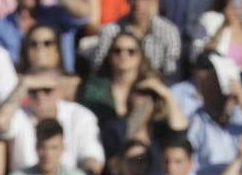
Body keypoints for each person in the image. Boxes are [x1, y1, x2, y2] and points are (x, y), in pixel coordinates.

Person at [79, 29, 186, 162]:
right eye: (117, 51)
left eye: (131, 51)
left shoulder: (150, 87)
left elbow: (179, 134)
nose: (124, 55)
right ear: (109, 56)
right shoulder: (95, 88)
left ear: (140, 56)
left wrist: (166, 94)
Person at [0, 68, 103, 175]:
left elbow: (93, 159)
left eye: (47, 90)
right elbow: (0, 121)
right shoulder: (20, 114)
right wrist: (24, 83)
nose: (40, 95)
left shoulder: (81, 116)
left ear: (60, 91)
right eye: (33, 90)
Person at [0, 0, 90, 75]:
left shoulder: (57, 15)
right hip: (20, 87)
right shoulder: (0, 27)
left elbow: (83, 14)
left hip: (60, 84)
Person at [89, 0, 181, 82]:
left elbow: (171, 74)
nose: (138, 4)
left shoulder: (168, 32)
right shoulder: (110, 32)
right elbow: (98, 69)